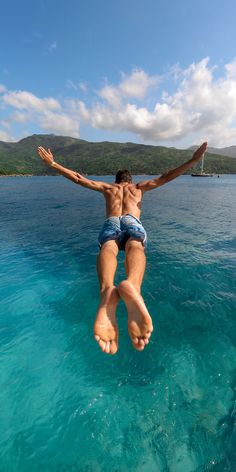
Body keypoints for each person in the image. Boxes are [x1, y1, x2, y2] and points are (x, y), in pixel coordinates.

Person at [37, 142, 208, 355]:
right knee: (135, 246)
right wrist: (192, 160)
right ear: (130, 180)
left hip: (112, 221)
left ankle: (107, 289)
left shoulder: (109, 188)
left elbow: (79, 178)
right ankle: (133, 286)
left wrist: (53, 163)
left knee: (108, 249)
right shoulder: (138, 188)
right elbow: (166, 177)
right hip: (131, 220)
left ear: (116, 181)